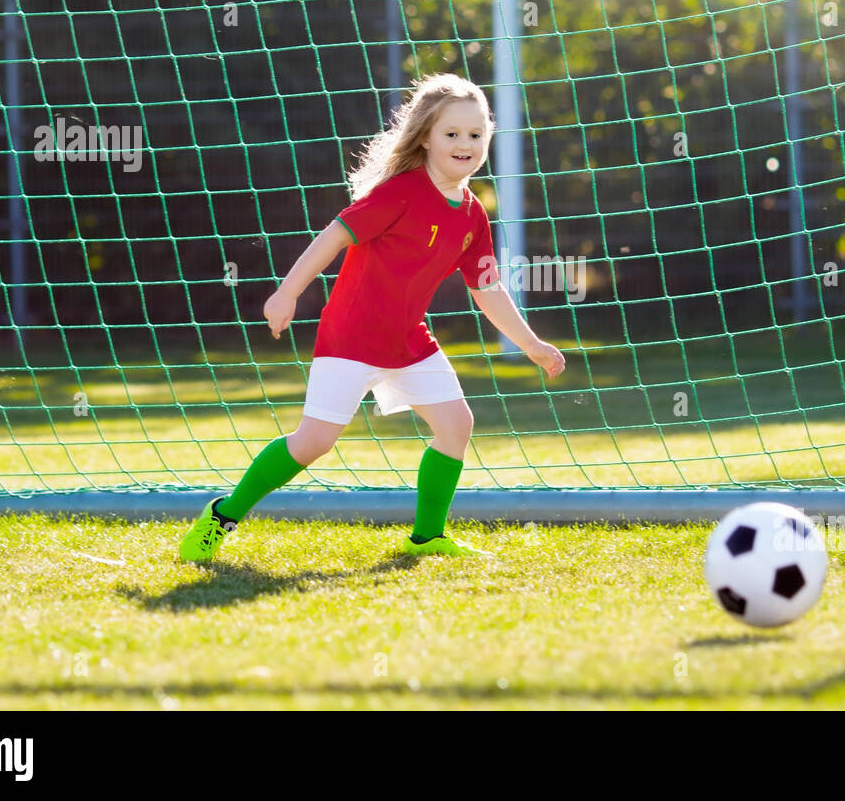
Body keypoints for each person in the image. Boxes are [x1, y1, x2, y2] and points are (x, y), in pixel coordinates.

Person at [180, 73, 566, 562]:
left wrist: (531, 343)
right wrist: (286, 293)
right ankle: (222, 515)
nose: (464, 143)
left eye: (475, 134)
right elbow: (334, 236)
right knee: (314, 442)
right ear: (425, 137)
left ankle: (427, 537)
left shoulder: (472, 215)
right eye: (452, 134)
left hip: (408, 341)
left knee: (456, 425)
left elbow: (485, 288)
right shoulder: (400, 193)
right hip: (351, 337)